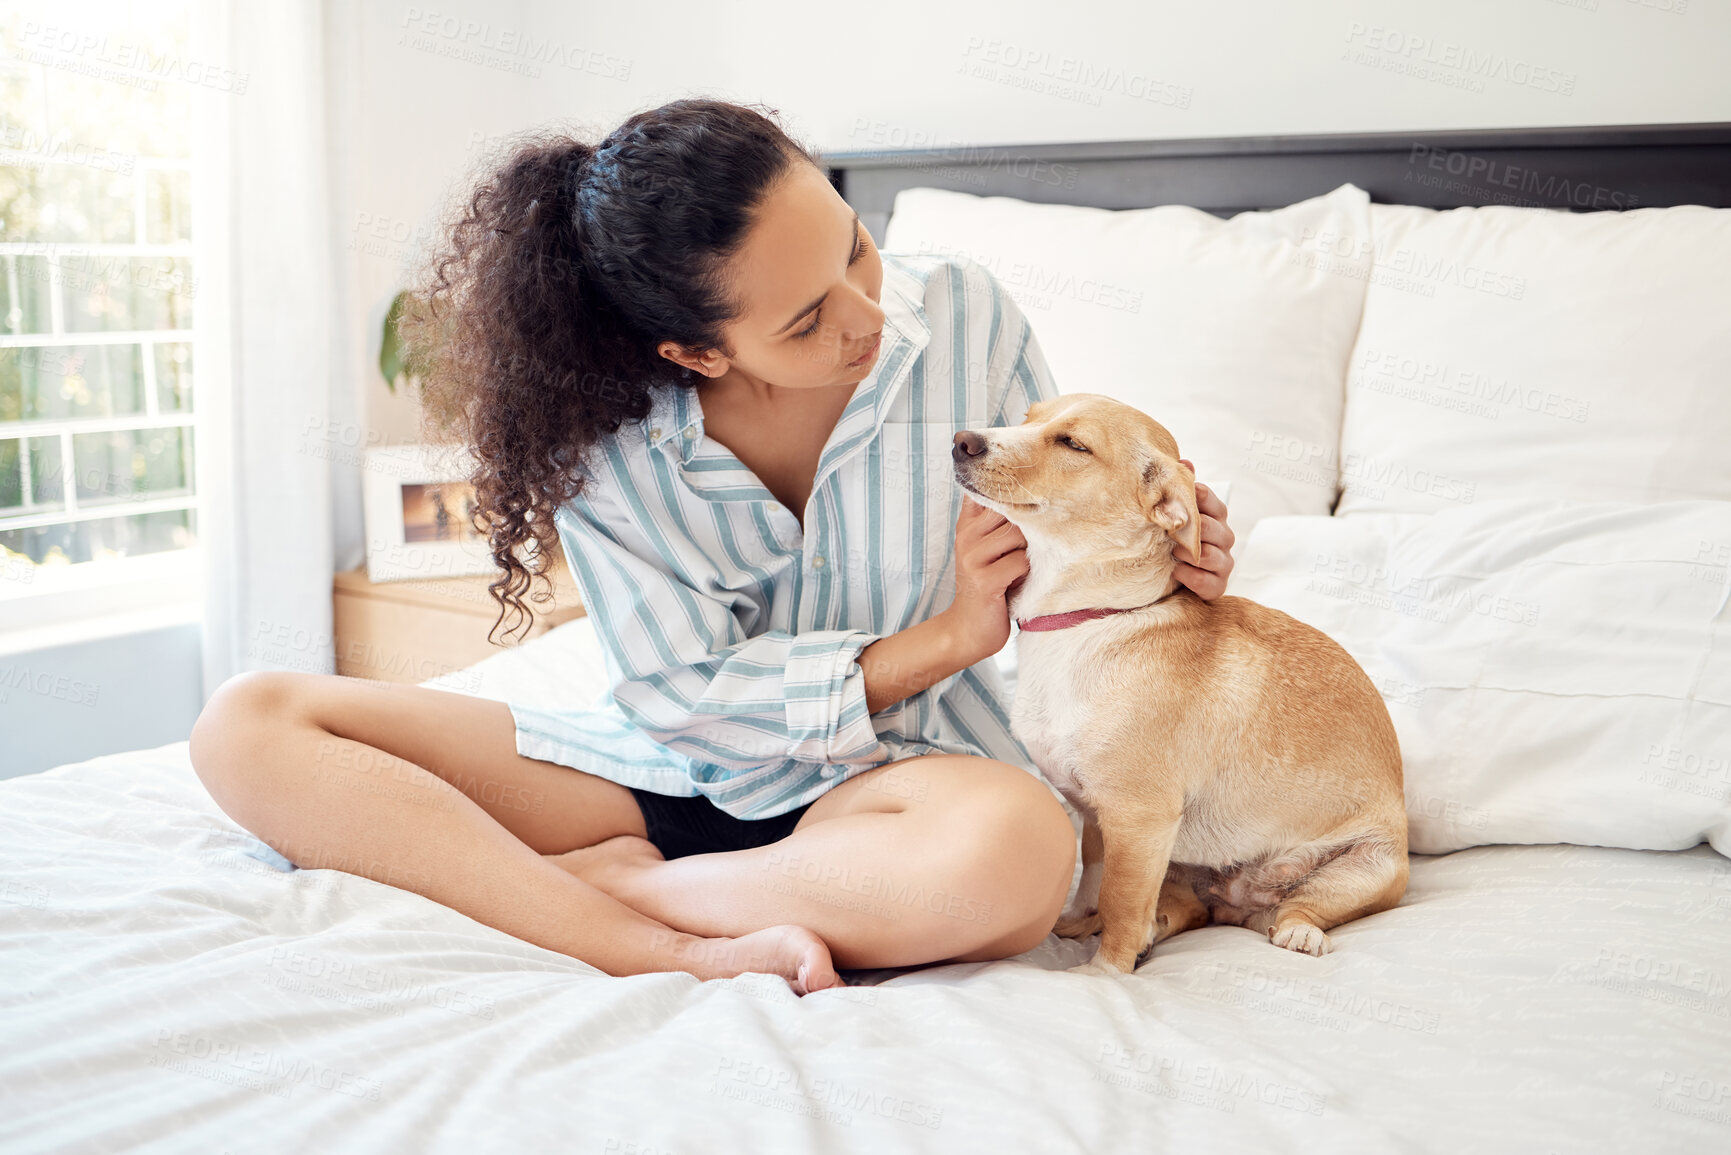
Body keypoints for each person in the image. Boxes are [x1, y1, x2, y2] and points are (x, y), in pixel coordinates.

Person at [188, 98, 1236, 995]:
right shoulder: (605, 434)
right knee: (249, 724)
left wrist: (1166, 547)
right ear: (695, 349)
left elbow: (1055, 508)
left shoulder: (966, 318)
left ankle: (622, 890)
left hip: (898, 780)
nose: (871, 314)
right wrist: (948, 638)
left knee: (1020, 854)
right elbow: (686, 700)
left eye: (856, 245)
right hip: (661, 774)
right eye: (808, 317)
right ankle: (643, 940)